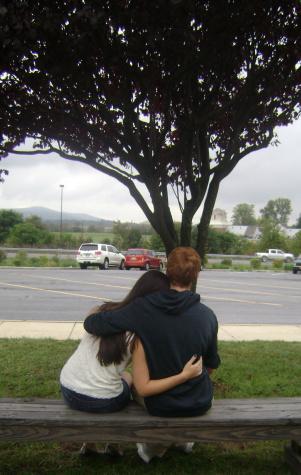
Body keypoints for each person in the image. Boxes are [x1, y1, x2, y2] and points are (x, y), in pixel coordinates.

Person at [84, 247, 221, 462]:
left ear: (167, 270)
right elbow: (211, 365)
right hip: (200, 401)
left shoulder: (143, 309)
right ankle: (181, 441)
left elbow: (93, 324)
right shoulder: (208, 316)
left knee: (133, 387)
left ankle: (152, 447)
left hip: (160, 403)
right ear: (196, 275)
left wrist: (95, 313)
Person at [60, 269, 202, 454]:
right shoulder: (139, 334)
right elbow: (144, 386)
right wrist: (183, 375)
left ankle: (91, 444)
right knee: (131, 383)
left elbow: (91, 324)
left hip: (68, 387)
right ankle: (116, 442)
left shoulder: (101, 310)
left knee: (121, 376)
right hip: (102, 401)